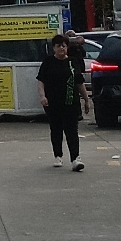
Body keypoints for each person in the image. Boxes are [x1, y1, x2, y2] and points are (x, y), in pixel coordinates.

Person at [37, 34, 90, 171]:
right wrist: (42, 96)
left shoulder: (72, 62)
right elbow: (41, 80)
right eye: (58, 46)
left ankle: (75, 159)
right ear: (54, 48)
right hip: (53, 102)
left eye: (64, 46)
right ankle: (58, 155)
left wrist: (86, 99)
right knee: (56, 129)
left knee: (72, 131)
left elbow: (79, 82)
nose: (61, 48)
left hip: (71, 102)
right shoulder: (48, 62)